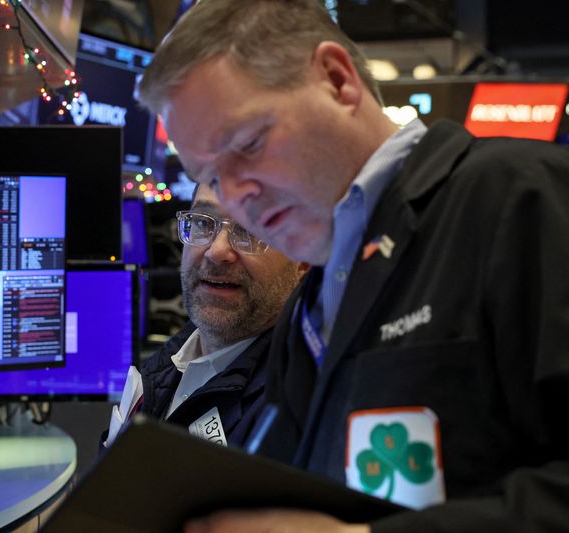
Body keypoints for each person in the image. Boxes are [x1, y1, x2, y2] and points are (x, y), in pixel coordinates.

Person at [135, 0, 569, 531]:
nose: (238, 195)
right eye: (213, 176)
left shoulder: (518, 198)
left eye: (248, 143)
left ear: (337, 80)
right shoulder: (313, 299)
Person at [104, 183, 305, 450]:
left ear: (304, 260)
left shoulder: (295, 412)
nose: (216, 251)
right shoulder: (171, 359)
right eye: (202, 223)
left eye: (249, 229)